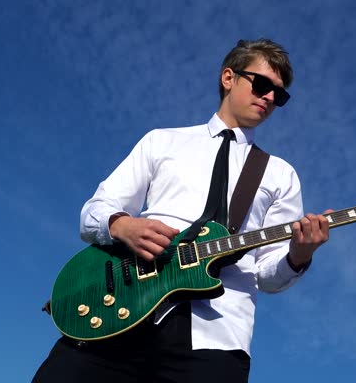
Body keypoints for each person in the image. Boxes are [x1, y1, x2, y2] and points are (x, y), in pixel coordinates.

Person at [33, 38, 331, 382]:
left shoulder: (280, 174)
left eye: (279, 95)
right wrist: (122, 225)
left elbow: (267, 274)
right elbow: (95, 211)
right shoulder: (163, 141)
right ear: (228, 78)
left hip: (215, 336)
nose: (269, 98)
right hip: (119, 311)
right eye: (262, 85)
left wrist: (299, 255)